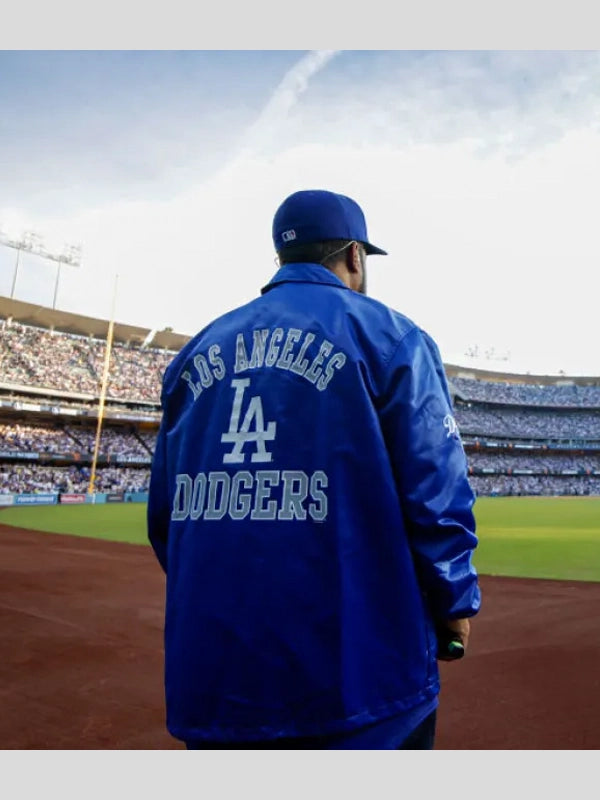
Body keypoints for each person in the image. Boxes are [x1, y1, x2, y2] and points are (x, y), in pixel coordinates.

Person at [147, 188, 481, 750]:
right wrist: (454, 603)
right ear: (354, 255)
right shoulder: (393, 339)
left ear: (282, 257)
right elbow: (437, 493)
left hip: (217, 680)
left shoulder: (196, 351)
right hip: (362, 684)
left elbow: (166, 520)